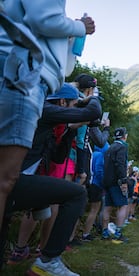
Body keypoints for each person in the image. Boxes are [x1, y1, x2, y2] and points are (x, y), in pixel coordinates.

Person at [0, 0, 95, 235]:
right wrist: (80, 27)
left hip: (16, 65)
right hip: (24, 71)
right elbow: (44, 19)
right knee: (4, 179)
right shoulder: (51, 111)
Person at [3, 83, 101, 275]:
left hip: (14, 181)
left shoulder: (47, 121)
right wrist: (92, 97)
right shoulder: (45, 110)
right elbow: (93, 112)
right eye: (74, 105)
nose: (74, 110)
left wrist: (71, 129)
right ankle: (48, 261)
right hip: (11, 182)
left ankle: (40, 259)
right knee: (77, 194)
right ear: (63, 102)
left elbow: (57, 157)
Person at [102, 127, 129, 244]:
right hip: (116, 181)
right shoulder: (122, 147)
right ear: (125, 136)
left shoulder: (109, 148)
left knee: (107, 207)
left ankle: (104, 232)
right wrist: (123, 181)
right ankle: (118, 233)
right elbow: (120, 164)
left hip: (106, 181)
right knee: (123, 205)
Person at [81, 142, 109, 242]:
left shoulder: (92, 154)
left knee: (85, 210)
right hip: (96, 185)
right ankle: (86, 234)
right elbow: (99, 171)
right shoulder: (101, 155)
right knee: (94, 210)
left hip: (88, 183)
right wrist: (104, 184)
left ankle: (80, 234)